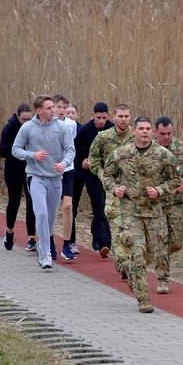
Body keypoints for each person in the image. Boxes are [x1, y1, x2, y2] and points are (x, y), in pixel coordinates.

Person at [101, 116, 179, 312]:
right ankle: (143, 299)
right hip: (130, 212)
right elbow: (107, 175)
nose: (144, 132)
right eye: (141, 129)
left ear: (152, 132)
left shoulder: (164, 155)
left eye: (147, 129)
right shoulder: (121, 154)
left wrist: (159, 190)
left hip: (153, 213)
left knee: (150, 256)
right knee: (138, 253)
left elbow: (175, 181)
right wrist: (115, 188)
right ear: (134, 131)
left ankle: (131, 272)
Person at [11, 95, 75, 270]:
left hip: (55, 178)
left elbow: (70, 150)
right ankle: (46, 253)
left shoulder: (62, 127)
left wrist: (64, 163)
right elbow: (15, 149)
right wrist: (32, 155)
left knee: (50, 218)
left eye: (53, 107)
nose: (53, 110)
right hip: (36, 176)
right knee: (41, 213)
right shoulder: (28, 128)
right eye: (48, 108)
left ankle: (42, 244)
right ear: (39, 111)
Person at [153, 116, 183, 294]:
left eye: (169, 133)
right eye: (162, 133)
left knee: (177, 241)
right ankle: (162, 279)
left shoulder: (181, 148)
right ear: (155, 132)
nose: (166, 137)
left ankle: (157, 257)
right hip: (155, 203)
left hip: (176, 202)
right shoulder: (149, 149)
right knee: (161, 239)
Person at [88, 103, 133, 268]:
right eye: (120, 116)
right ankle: (122, 263)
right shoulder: (103, 137)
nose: (123, 119)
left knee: (130, 228)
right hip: (112, 189)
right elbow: (93, 160)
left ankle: (128, 259)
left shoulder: (137, 136)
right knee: (116, 225)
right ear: (114, 117)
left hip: (133, 190)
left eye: (126, 116)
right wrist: (103, 175)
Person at [74, 102, 114, 257]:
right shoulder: (85, 131)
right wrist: (82, 161)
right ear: (93, 115)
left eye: (104, 118)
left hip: (109, 175)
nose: (101, 121)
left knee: (106, 208)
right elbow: (75, 151)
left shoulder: (112, 130)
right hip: (91, 175)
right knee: (99, 206)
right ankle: (105, 243)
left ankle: (96, 234)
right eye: (99, 118)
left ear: (108, 116)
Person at [0, 103, 37, 251]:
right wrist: (20, 152)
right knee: (14, 201)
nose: (27, 122)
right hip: (13, 169)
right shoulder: (9, 128)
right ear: (17, 116)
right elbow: (3, 151)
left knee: (31, 202)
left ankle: (31, 237)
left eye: (29, 119)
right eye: (24, 119)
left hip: (30, 170)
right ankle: (9, 231)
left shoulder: (35, 127)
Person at [53, 94, 79, 260]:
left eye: (65, 107)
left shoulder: (72, 125)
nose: (62, 111)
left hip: (68, 169)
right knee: (50, 209)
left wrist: (66, 162)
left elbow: (71, 146)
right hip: (50, 171)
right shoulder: (45, 124)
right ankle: (48, 243)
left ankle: (67, 244)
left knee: (68, 206)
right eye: (59, 107)